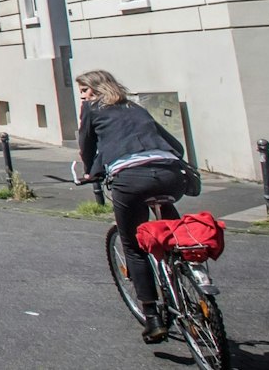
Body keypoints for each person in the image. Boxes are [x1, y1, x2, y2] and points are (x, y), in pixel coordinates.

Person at [74, 69, 185, 345]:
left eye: (85, 91)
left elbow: (86, 145)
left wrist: (90, 172)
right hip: (170, 173)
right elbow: (176, 146)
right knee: (174, 236)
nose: (83, 97)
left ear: (97, 90)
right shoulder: (135, 107)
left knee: (134, 247)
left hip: (130, 178)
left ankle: (153, 318)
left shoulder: (92, 109)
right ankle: (187, 280)